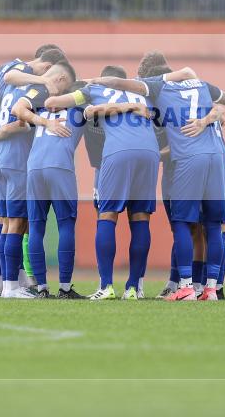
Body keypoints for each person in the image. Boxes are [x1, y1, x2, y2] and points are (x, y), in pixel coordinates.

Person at [90, 71, 225, 301]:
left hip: (189, 159)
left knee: (181, 223)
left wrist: (95, 82)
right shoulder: (203, 86)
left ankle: (186, 286)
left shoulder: (160, 89)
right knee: (214, 226)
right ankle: (211, 289)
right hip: (219, 159)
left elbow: (119, 83)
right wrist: (206, 119)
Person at [46, 66, 158, 301]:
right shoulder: (142, 92)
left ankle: (106, 286)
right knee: (140, 218)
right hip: (150, 152)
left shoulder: (92, 90)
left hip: (119, 151)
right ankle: (133, 288)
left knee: (107, 215)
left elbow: (53, 103)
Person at [0, 47, 66, 296]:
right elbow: (11, 76)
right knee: (10, 222)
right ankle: (5, 284)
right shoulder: (23, 78)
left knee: (2, 220)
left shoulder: (7, 83)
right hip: (9, 155)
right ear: (48, 68)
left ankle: (0, 283)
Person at [13, 80, 89, 299]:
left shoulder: (41, 107)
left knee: (36, 228)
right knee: (66, 226)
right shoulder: (81, 108)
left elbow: (19, 115)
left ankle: (42, 289)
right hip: (60, 167)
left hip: (33, 167)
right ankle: (65, 288)